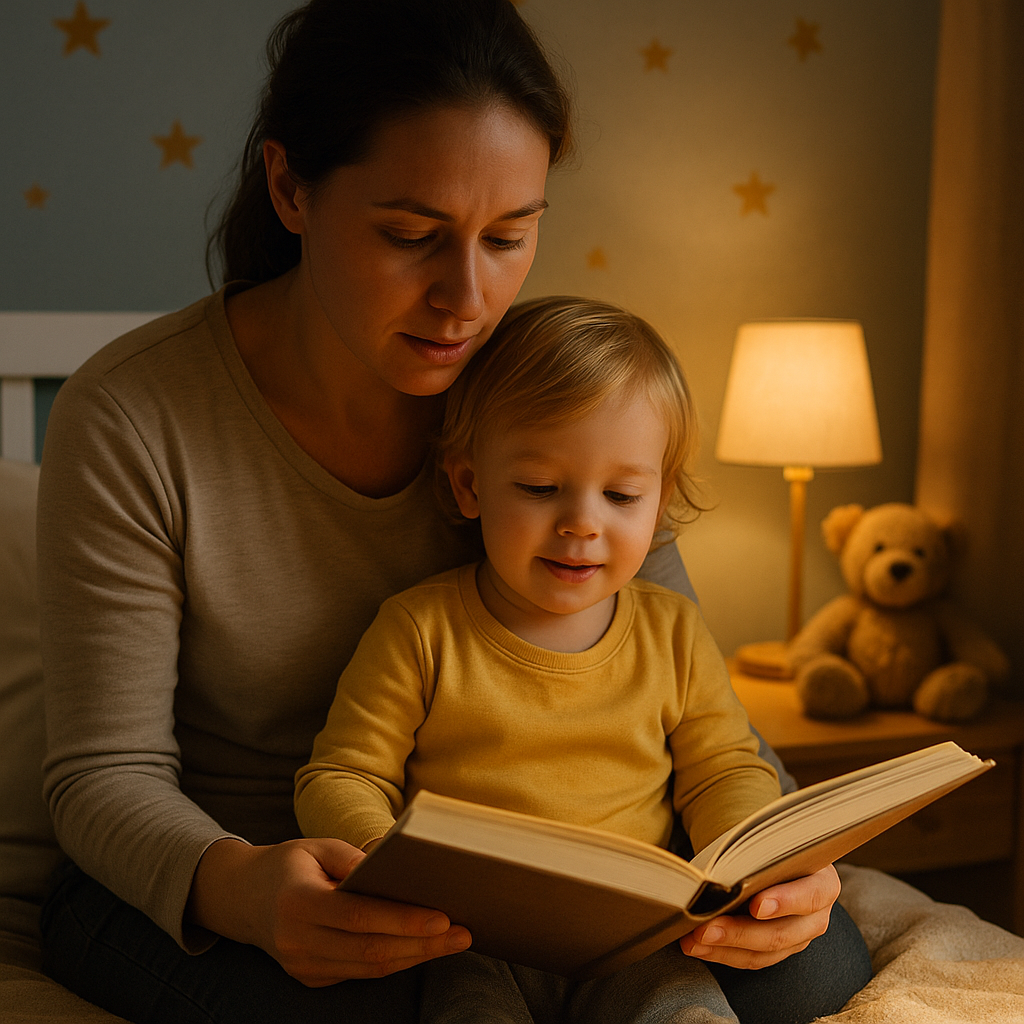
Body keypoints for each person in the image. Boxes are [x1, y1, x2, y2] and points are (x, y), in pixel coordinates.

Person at [34, 2, 870, 1023]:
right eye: (411, 236)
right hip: (258, 870)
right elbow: (100, 774)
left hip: (549, 899)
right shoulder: (132, 414)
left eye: (510, 235)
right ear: (291, 189)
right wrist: (244, 888)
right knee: (398, 993)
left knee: (814, 966)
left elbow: (706, 719)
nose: (466, 298)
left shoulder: (545, 393)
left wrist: (785, 866)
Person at [294, 295, 787, 1023]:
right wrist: (384, 856)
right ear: (468, 484)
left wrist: (741, 856)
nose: (581, 523)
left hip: (637, 941)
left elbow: (726, 767)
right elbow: (341, 774)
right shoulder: (420, 629)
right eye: (539, 488)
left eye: (621, 495)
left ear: (660, 504)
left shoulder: (673, 632)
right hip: (467, 938)